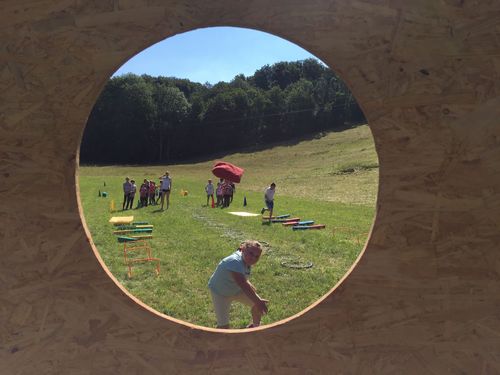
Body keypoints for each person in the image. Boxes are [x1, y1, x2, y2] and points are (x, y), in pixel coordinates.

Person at [208, 240, 268, 329]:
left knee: (257, 306)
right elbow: (243, 284)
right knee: (223, 327)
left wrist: (256, 299)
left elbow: (243, 278)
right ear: (243, 249)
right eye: (251, 253)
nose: (253, 258)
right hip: (220, 293)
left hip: (235, 290)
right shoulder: (234, 261)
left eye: (257, 256)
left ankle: (255, 327)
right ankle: (215, 341)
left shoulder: (245, 259)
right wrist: (257, 300)